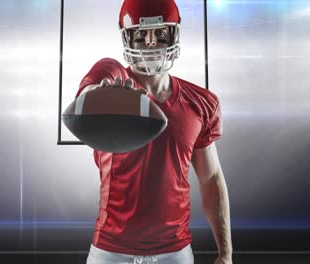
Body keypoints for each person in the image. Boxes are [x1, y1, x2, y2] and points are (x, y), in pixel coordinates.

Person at [75, 0, 232, 263]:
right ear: (128, 38)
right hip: (110, 250)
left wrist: (225, 253)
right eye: (141, 34)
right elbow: (86, 98)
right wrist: (99, 96)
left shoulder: (200, 102)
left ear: (173, 34)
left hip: (174, 251)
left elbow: (211, 178)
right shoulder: (111, 75)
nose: (150, 42)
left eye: (159, 33)